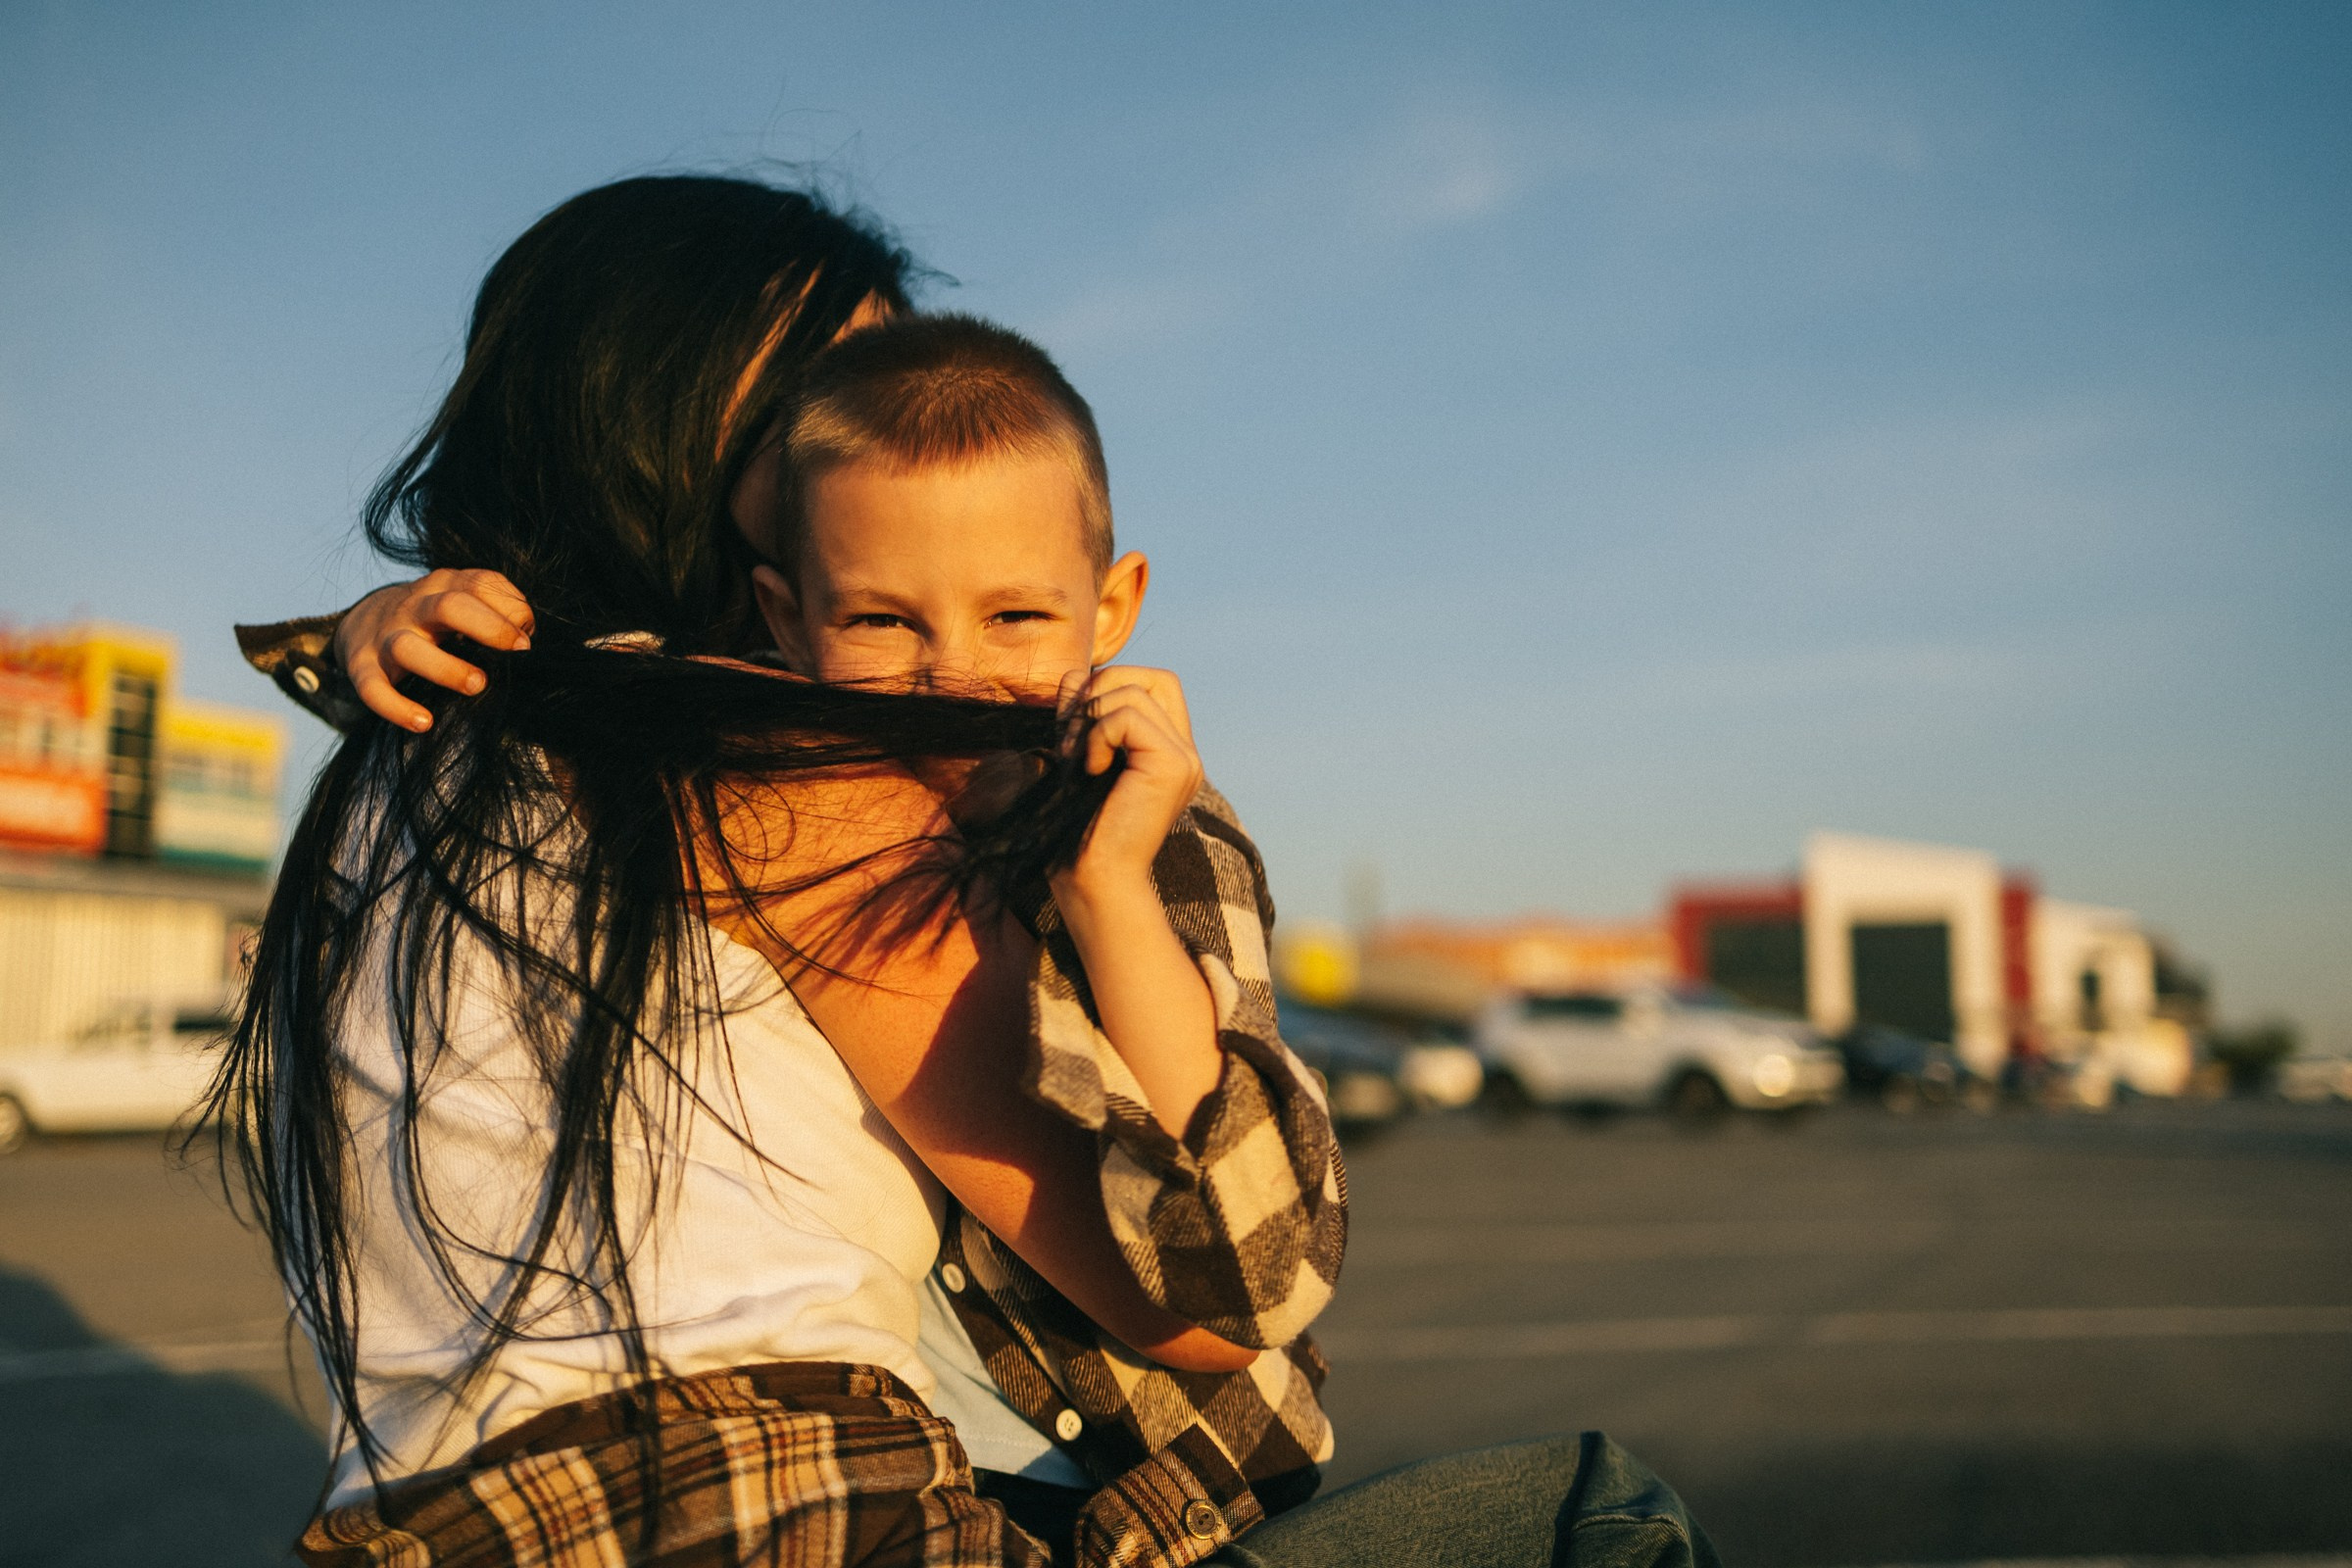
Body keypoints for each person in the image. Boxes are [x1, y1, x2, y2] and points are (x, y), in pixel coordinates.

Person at [233, 173, 1715, 1568]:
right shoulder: (764, 785)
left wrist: (371, 629)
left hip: (422, 1521)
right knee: (1599, 1517)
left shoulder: (413, 767)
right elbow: (1206, 1315)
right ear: (683, 437)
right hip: (779, 1503)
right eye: (834, 414)